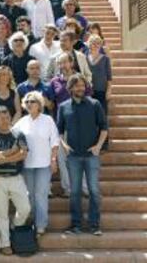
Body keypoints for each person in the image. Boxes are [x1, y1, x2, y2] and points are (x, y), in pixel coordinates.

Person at [58, 74, 108, 236]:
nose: (81, 88)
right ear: (70, 88)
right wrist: (64, 146)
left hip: (91, 155)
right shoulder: (63, 107)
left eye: (82, 85)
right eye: (77, 85)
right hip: (73, 156)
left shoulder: (95, 104)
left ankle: (94, 225)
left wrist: (98, 146)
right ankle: (76, 225)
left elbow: (104, 128)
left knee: (93, 190)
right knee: (75, 192)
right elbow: (58, 131)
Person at [12, 91, 59, 235]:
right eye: (27, 102)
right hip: (27, 165)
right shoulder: (22, 121)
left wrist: (53, 160)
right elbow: (11, 135)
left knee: (41, 194)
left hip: (44, 164)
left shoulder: (48, 120)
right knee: (29, 195)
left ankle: (40, 225)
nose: (29, 104)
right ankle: (30, 221)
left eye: (32, 101)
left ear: (39, 104)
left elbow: (55, 142)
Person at [0, 106, 31, 255]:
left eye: (7, 117)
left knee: (25, 208)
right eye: (1, 118)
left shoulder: (19, 134)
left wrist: (5, 157)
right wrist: (13, 151)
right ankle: (5, 243)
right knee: (1, 213)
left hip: (16, 178)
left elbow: (23, 154)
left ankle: (14, 226)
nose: (5, 121)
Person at [50, 52, 91, 197]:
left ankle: (85, 188)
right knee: (62, 159)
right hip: (62, 125)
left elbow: (89, 100)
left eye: (64, 62)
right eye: (60, 63)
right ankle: (68, 189)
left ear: (71, 62)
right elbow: (51, 103)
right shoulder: (54, 81)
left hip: (81, 125)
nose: (62, 66)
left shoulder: (80, 79)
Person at [87, 34, 112, 115]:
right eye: (93, 43)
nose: (96, 45)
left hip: (101, 90)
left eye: (98, 43)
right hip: (88, 91)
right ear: (89, 44)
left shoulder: (105, 59)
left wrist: (109, 90)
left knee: (102, 114)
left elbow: (109, 76)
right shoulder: (84, 57)